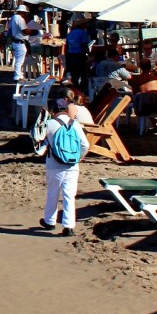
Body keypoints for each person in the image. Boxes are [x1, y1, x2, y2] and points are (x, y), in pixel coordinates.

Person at [39, 96, 89, 237]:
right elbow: (85, 145)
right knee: (69, 196)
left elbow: (38, 140)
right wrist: (77, 157)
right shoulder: (75, 124)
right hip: (72, 165)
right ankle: (68, 226)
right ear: (66, 110)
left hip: (54, 164)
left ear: (53, 110)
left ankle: (49, 221)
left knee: (52, 194)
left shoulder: (49, 124)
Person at [8, 4, 39, 81]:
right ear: (23, 12)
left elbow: (10, 30)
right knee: (20, 61)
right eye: (26, 13)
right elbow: (25, 30)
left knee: (19, 59)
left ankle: (20, 75)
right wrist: (35, 31)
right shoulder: (19, 19)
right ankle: (17, 76)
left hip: (15, 41)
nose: (26, 14)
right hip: (20, 42)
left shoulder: (13, 18)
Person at [64, 17, 91, 89]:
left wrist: (67, 57)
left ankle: (75, 87)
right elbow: (84, 44)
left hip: (70, 55)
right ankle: (82, 88)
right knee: (83, 73)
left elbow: (66, 46)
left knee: (74, 73)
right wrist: (88, 53)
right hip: (80, 55)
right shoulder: (83, 33)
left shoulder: (70, 34)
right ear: (82, 25)